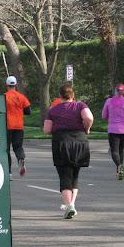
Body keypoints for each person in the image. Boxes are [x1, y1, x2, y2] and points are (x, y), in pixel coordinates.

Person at [43, 84, 94, 219]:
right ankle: (72, 204)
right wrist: (87, 129)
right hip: (80, 141)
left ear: (60, 96)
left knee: (65, 174)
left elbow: (47, 130)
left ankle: (69, 205)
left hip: (62, 142)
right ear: (73, 95)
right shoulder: (80, 106)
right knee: (75, 174)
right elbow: (89, 118)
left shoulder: (53, 110)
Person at [101, 83, 124, 180]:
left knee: (114, 151)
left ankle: (119, 166)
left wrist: (111, 114)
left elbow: (104, 116)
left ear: (115, 91)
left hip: (113, 129)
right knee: (121, 150)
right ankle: (119, 171)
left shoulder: (109, 101)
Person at [4, 76, 31, 178]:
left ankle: (9, 172)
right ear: (16, 85)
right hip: (19, 126)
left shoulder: (3, 97)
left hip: (7, 126)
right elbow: (28, 111)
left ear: (7, 85)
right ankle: (20, 159)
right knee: (18, 147)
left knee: (6, 149)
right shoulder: (21, 97)